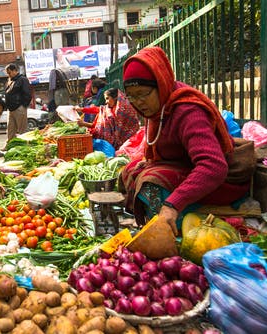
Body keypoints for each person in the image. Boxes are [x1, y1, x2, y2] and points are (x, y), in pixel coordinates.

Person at [119, 46, 250, 235]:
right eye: (131, 96)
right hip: (185, 166)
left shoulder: (188, 111)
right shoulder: (159, 108)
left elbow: (213, 166)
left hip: (220, 183)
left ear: (160, 84)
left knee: (151, 183)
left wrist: (173, 204)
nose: (137, 102)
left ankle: (170, 231)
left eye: (143, 94)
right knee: (131, 170)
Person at [76, 87, 140, 150]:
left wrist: (84, 123)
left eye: (107, 98)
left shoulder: (125, 111)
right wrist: (82, 110)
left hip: (127, 145)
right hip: (108, 146)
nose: (106, 102)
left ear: (115, 98)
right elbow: (96, 123)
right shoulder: (107, 110)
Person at [4, 63, 31, 145]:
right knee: (10, 129)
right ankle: (10, 145)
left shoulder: (22, 79)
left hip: (19, 107)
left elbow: (27, 94)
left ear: (15, 70)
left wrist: (23, 106)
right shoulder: (11, 81)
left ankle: (25, 145)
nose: (9, 75)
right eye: (7, 73)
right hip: (11, 109)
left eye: (9, 72)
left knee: (22, 129)